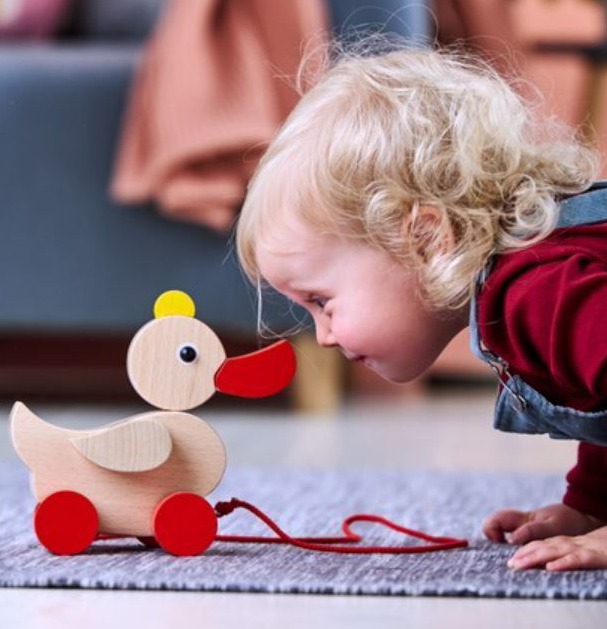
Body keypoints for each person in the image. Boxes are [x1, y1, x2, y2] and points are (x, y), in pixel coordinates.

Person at [235, 39, 607, 571]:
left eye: (322, 301)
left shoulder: (536, 292)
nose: (322, 334)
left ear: (427, 240)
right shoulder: (525, 286)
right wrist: (590, 506)